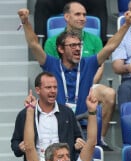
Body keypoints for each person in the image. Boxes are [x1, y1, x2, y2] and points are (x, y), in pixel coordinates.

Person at [18, 8, 130, 119]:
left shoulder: (88, 64)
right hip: (58, 123)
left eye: (79, 45)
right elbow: (33, 44)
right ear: (61, 49)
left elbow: (111, 46)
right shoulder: (52, 64)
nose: (77, 49)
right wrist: (25, 22)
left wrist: (126, 24)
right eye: (72, 46)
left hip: (84, 124)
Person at [43, 1, 116, 149]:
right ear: (66, 17)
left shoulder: (94, 39)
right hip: (62, 86)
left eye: (84, 14)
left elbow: (100, 66)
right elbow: (50, 72)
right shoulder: (52, 42)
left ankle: (99, 139)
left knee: (109, 93)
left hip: (89, 81)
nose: (83, 18)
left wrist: (86, 82)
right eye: (78, 14)